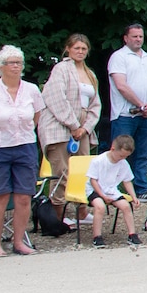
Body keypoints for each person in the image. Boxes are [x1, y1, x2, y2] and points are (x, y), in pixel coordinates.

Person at [0, 45, 43, 256]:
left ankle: (19, 241)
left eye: (19, 63)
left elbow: (37, 115)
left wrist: (25, 131)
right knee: (1, 195)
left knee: (24, 196)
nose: (16, 67)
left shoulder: (32, 89)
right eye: (11, 63)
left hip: (24, 145)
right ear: (1, 66)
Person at [38, 33, 101, 209]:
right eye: (76, 48)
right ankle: (57, 214)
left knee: (83, 171)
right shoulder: (61, 69)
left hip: (83, 129)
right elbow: (56, 98)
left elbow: (96, 104)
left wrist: (85, 128)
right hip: (60, 125)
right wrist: (73, 125)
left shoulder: (90, 74)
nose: (80, 52)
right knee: (62, 172)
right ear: (68, 49)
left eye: (83, 48)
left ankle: (81, 212)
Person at [106, 22, 147, 199]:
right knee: (120, 153)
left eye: (140, 36)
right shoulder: (118, 57)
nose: (138, 39)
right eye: (134, 36)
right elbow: (121, 85)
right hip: (125, 115)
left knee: (143, 155)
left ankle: (141, 189)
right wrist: (140, 105)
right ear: (125, 38)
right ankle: (114, 190)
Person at [85, 135, 142, 249]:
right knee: (100, 207)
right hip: (95, 189)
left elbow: (127, 181)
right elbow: (93, 181)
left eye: (126, 156)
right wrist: (102, 196)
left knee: (126, 206)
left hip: (111, 190)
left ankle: (132, 234)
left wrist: (133, 196)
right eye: (121, 155)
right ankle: (97, 236)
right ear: (113, 148)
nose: (122, 158)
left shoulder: (123, 163)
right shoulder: (98, 161)